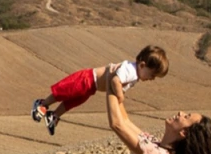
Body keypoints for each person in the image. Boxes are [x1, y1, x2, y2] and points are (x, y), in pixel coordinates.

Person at [31, 45, 168, 135]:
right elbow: (115, 80)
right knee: (66, 91)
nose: (152, 79)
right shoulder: (131, 70)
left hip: (92, 86)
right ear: (143, 65)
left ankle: (54, 115)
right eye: (152, 75)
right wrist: (120, 96)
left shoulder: (135, 76)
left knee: (73, 101)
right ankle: (43, 104)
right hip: (88, 78)